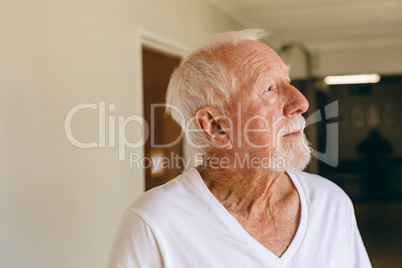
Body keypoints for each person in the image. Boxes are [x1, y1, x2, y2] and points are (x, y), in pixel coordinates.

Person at [108, 29, 371, 267]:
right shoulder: (154, 223)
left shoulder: (331, 203)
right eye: (269, 89)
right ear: (215, 126)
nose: (300, 102)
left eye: (287, 81)